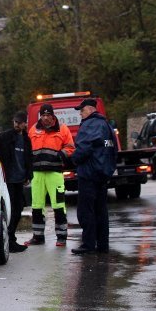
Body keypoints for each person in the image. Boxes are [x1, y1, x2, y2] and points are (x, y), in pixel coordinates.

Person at [69, 98, 117, 255]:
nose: (80, 115)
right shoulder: (106, 125)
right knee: (101, 211)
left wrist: (73, 159)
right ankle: (103, 245)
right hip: (102, 174)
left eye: (81, 111)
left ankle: (88, 244)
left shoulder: (89, 124)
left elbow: (84, 148)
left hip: (89, 174)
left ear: (89, 110)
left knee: (86, 211)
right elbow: (113, 151)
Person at [26, 103, 75, 247]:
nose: (46, 118)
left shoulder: (63, 129)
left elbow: (71, 148)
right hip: (37, 174)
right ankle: (38, 237)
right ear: (40, 116)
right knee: (36, 205)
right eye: (43, 115)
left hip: (54, 173)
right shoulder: (33, 130)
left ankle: (61, 237)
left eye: (48, 115)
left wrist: (60, 156)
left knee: (59, 205)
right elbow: (28, 150)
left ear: (53, 116)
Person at [0, 110, 32, 253]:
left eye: (20, 122)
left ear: (25, 123)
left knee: (18, 208)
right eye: (15, 122)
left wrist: (28, 175)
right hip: (8, 181)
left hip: (20, 180)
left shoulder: (26, 139)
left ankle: (11, 237)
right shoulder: (5, 137)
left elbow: (28, 158)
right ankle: (9, 239)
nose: (17, 125)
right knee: (11, 209)